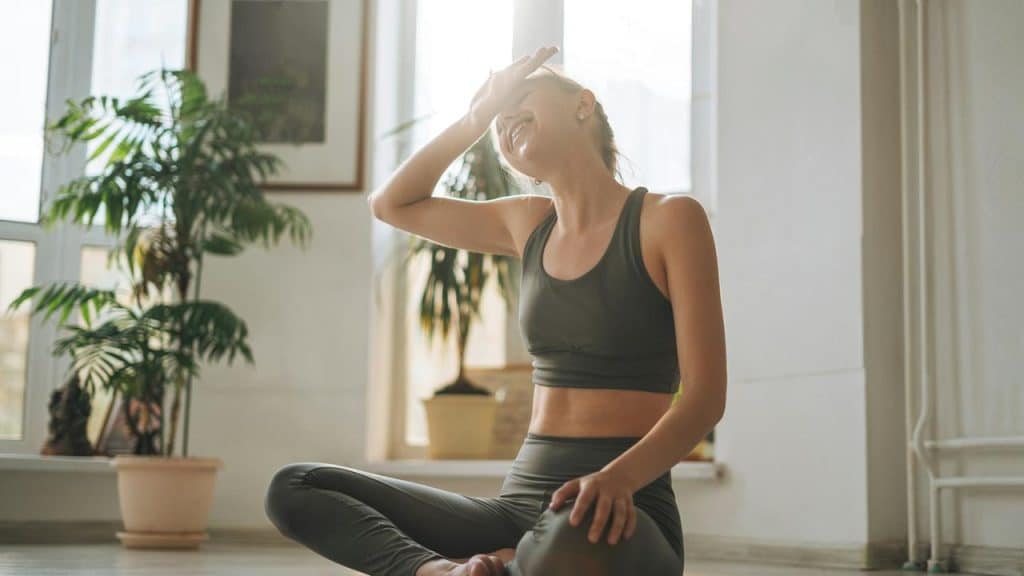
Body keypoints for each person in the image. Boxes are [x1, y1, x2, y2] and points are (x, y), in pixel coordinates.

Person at [265, 45, 727, 576]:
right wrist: (475, 116)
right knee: (295, 487)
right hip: (517, 507)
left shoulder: (669, 220)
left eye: (521, 100)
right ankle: (436, 572)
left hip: (621, 512)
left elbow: (705, 397)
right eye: (499, 121)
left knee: (565, 540)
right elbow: (391, 203)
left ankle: (508, 567)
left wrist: (619, 478)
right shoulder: (526, 223)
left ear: (583, 105)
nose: (506, 121)